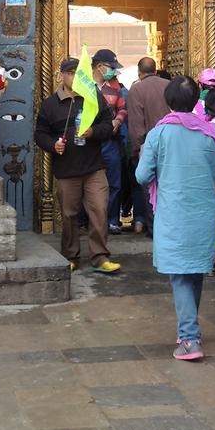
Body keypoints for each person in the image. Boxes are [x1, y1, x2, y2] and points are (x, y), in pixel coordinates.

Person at [136, 76, 215, 361]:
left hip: (173, 214)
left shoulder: (159, 135)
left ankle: (189, 339)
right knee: (195, 271)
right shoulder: (210, 134)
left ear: (168, 101)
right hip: (202, 213)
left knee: (179, 275)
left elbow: (142, 175)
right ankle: (188, 330)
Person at [34, 57, 120, 274]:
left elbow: (108, 126)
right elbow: (40, 134)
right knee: (69, 214)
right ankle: (71, 255)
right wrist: (53, 145)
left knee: (99, 210)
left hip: (94, 167)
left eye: (77, 73)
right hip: (66, 170)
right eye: (70, 73)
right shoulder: (50, 105)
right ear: (62, 75)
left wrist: (93, 133)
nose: (73, 77)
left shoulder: (93, 99)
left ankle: (100, 256)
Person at [127, 57, 170, 234]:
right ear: (156, 69)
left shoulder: (136, 89)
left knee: (148, 188)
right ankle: (168, 226)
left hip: (148, 145)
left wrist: (136, 150)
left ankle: (154, 228)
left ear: (139, 71)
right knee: (168, 187)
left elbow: (137, 124)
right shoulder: (169, 85)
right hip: (171, 143)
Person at [194, 67, 215, 276]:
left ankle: (197, 258)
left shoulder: (194, 107)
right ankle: (213, 259)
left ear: (200, 86)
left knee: (198, 214)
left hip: (198, 168)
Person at [92, 49, 127, 235]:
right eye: (111, 67)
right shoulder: (85, 85)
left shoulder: (114, 86)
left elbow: (123, 108)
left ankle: (112, 219)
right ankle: (91, 221)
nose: (113, 71)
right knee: (90, 183)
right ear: (99, 66)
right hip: (91, 142)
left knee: (114, 182)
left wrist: (118, 120)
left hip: (111, 141)